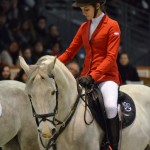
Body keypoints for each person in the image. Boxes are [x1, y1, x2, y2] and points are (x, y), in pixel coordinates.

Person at [58, 0, 121, 150]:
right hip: (86, 77)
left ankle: (113, 145)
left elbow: (111, 58)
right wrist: (50, 64)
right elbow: (70, 52)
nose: (83, 13)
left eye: (86, 9)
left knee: (111, 106)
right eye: (82, 10)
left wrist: (93, 76)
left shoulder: (112, 25)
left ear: (97, 6)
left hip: (107, 77)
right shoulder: (84, 27)